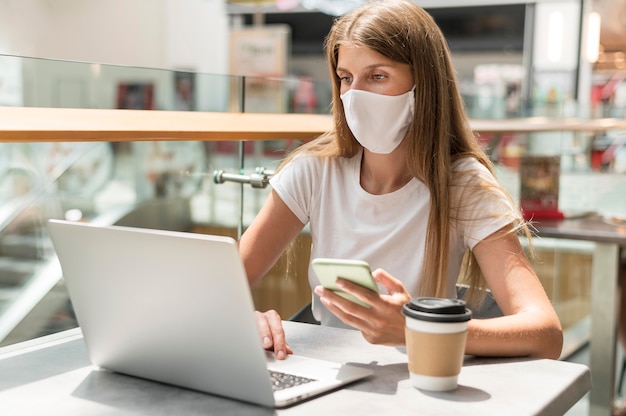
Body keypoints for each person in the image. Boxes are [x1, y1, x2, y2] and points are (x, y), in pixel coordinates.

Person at [239, 0, 563, 361]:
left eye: (377, 76)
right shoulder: (314, 171)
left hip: (420, 379)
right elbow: (219, 289)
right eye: (346, 78)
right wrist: (243, 319)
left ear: (422, 84)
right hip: (327, 375)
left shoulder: (462, 184)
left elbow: (545, 332)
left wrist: (416, 329)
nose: (355, 95)